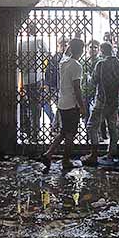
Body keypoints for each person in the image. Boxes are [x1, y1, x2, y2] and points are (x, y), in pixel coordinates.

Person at [40, 38, 87, 173]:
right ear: (82, 51)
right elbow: (77, 88)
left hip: (62, 103)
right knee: (70, 134)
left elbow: (66, 53)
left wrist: (71, 45)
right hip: (72, 104)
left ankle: (48, 154)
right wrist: (82, 106)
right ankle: (66, 161)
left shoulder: (63, 62)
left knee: (63, 132)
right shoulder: (77, 66)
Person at [82, 43, 119, 165]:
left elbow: (93, 82)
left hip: (101, 101)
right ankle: (110, 154)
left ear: (102, 51)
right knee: (113, 128)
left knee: (91, 127)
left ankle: (94, 154)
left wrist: (87, 77)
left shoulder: (101, 64)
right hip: (114, 101)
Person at [17, 22, 49, 142]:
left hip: (25, 79)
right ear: (36, 30)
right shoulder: (39, 40)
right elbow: (47, 54)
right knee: (36, 107)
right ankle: (35, 133)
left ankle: (28, 132)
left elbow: (19, 61)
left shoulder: (21, 42)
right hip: (37, 77)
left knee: (28, 105)